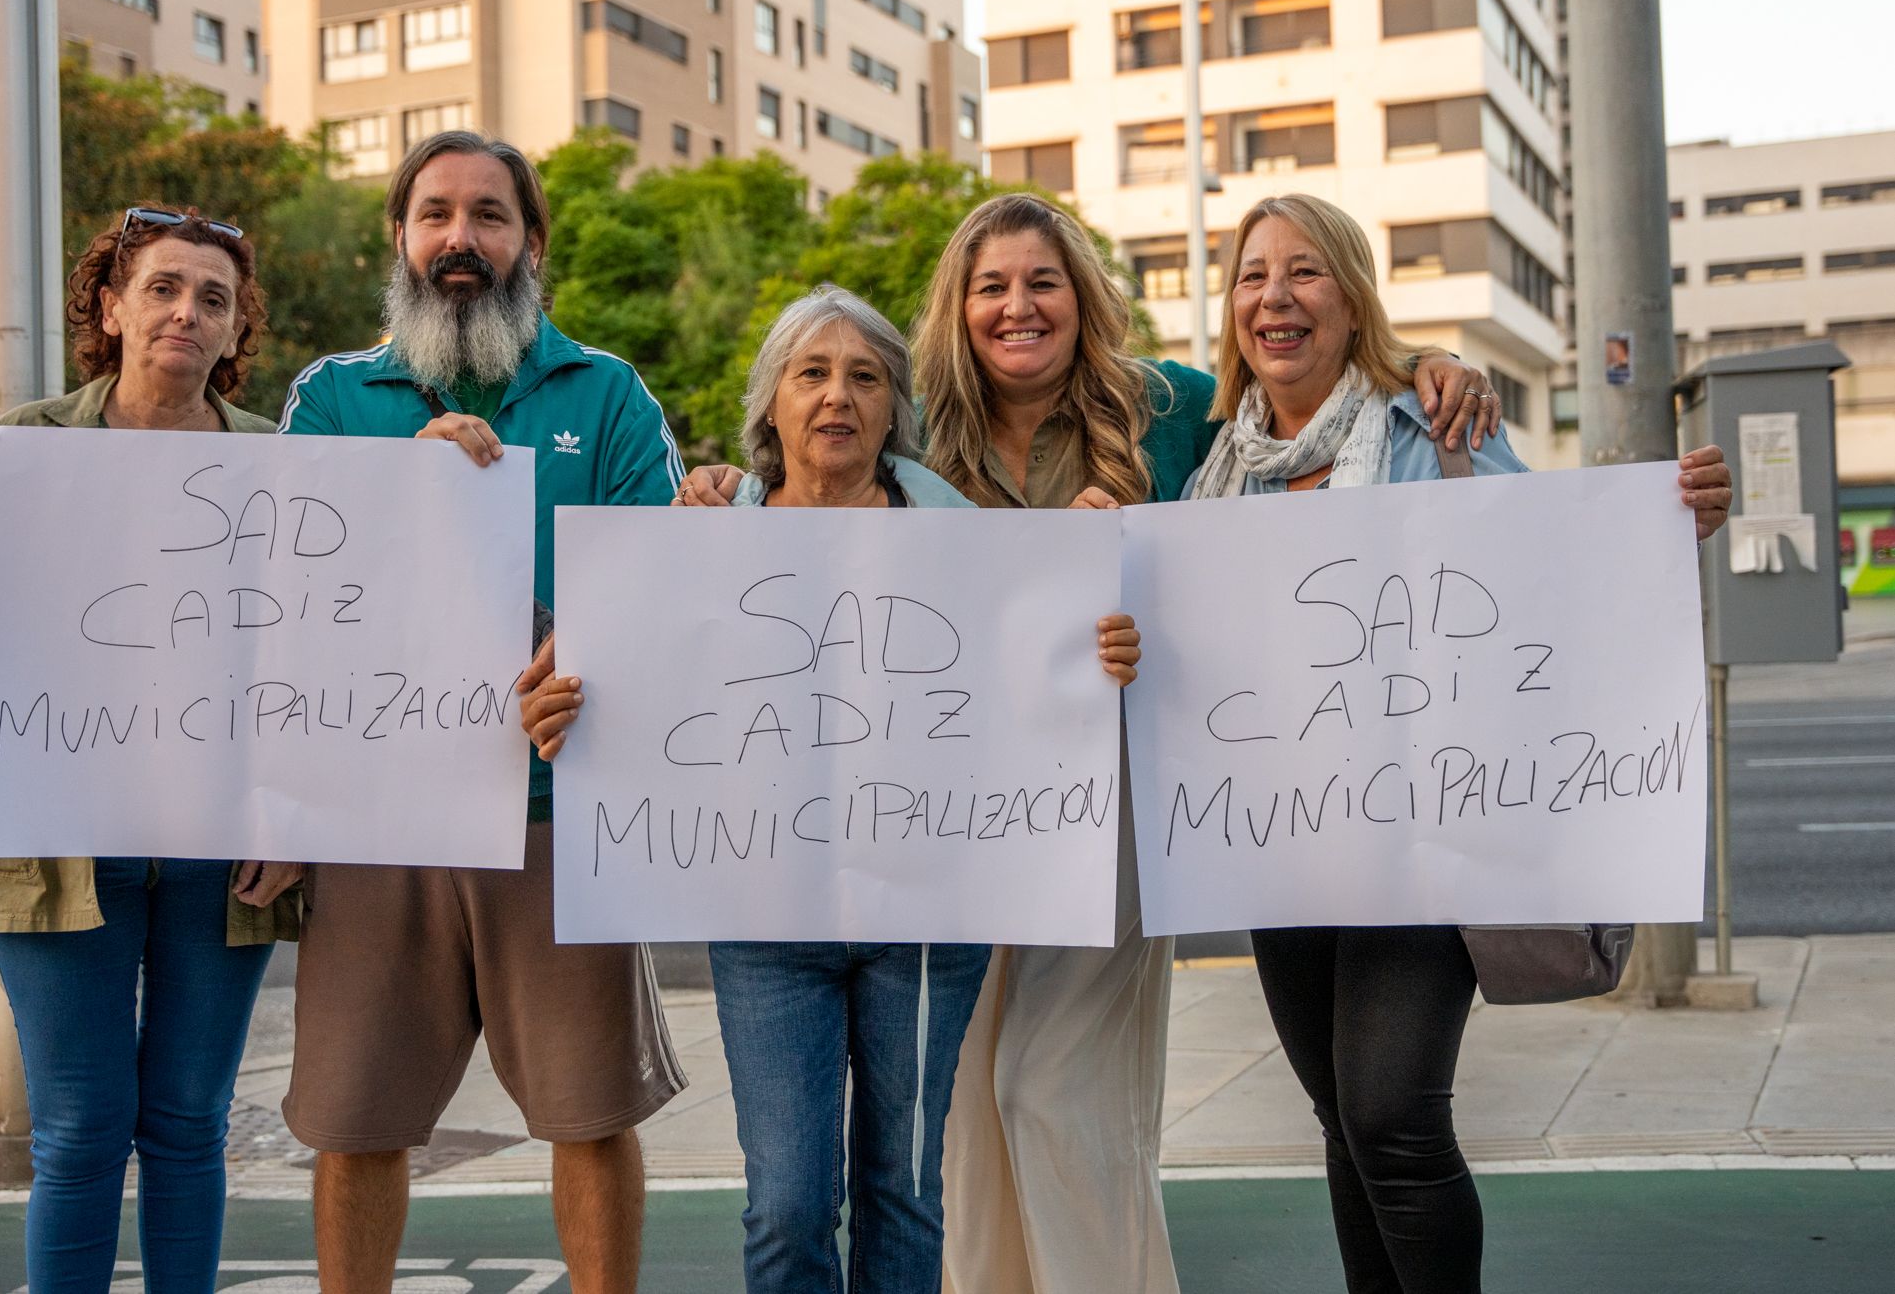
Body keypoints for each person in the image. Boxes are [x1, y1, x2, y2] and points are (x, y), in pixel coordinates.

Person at [681, 192, 1502, 1294]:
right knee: (965, 1109)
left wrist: (1430, 365)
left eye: (1043, 282)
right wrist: (724, 489)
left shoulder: (1172, 408)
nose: (1017, 306)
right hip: (954, 818)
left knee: (1053, 1091)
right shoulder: (920, 432)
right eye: (990, 286)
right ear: (958, 308)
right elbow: (809, 503)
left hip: (1110, 802)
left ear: (1082, 296)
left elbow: (1306, 401)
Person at [519, 284, 1145, 1294]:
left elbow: (1043, 690)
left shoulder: (977, 544)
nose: (836, 396)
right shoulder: (697, 542)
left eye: (864, 376)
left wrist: (1097, 647)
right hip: (763, 920)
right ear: (769, 404)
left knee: (905, 1189)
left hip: (928, 923)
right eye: (810, 373)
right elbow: (628, 696)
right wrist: (566, 715)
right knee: (789, 1200)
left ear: (896, 407)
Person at [1186, 192, 1733, 1293]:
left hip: (1424, 837)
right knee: (1344, 1120)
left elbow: (1551, 571)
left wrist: (1666, 527)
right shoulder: (1214, 467)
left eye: (1304, 271)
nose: (1274, 296)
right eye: (1251, 275)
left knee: (1392, 1114)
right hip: (1283, 845)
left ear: (1352, 299)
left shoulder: (1435, 427)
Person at [275, 130, 686, 1294]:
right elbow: (282, 594)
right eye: (437, 214)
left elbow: (663, 583)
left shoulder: (609, 393)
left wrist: (589, 651)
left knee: (589, 1114)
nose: (461, 238)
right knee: (356, 1122)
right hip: (379, 820)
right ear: (400, 237)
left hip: (558, 812)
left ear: (532, 242)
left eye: (490, 215)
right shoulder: (330, 397)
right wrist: (407, 487)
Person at [0, 206, 303, 1294]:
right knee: (79, 1128)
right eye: (163, 287)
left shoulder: (285, 464)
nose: (186, 312)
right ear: (111, 309)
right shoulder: (20, 449)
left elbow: (320, 669)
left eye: (213, 298)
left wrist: (298, 818)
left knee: (188, 1122)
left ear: (236, 331)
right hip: (57, 843)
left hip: (226, 851)